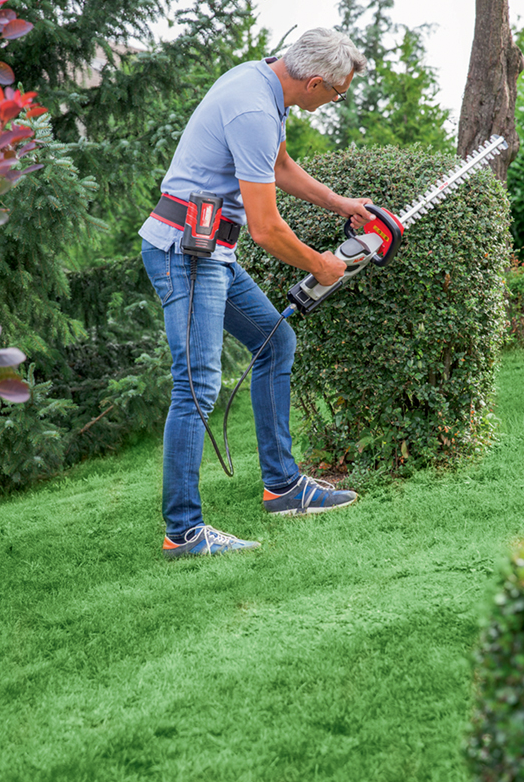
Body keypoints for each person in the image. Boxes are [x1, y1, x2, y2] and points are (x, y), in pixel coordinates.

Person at [139, 27, 375, 558]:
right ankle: (184, 534)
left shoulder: (264, 85)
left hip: (210, 252)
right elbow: (267, 230)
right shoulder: (252, 108)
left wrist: (339, 204)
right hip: (186, 252)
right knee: (197, 387)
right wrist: (322, 264)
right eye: (336, 94)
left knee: (275, 344)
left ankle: (284, 487)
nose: (332, 103)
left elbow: (279, 165)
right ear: (315, 81)